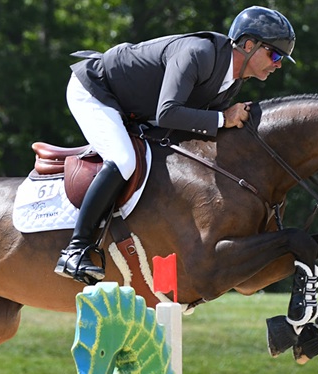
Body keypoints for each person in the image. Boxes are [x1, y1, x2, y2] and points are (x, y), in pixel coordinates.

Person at [55, 6, 296, 284]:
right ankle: (75, 250)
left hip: (132, 108)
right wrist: (222, 118)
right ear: (249, 45)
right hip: (96, 90)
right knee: (123, 159)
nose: (277, 64)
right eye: (275, 54)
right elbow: (168, 113)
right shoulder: (200, 54)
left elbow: (183, 128)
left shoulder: (230, 83)